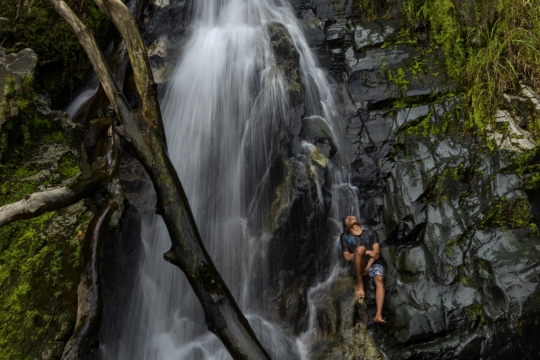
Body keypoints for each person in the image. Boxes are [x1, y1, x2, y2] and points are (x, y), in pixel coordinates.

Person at [340, 215, 386, 324]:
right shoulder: (345, 237)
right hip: (356, 265)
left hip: (372, 264)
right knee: (360, 249)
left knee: (379, 279)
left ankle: (378, 315)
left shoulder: (371, 233)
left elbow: (377, 254)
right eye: (346, 218)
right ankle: (360, 284)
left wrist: (368, 266)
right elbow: (347, 256)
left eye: (351, 216)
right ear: (346, 227)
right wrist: (363, 252)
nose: (350, 217)